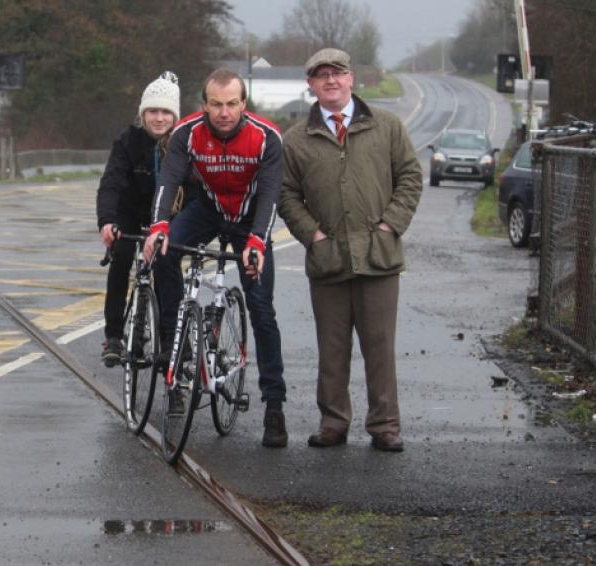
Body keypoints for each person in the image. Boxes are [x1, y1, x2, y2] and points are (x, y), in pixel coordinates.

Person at [278, 48, 423, 452]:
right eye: (321, 75)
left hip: (379, 257)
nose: (330, 81)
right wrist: (314, 236)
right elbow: (286, 195)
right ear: (310, 85)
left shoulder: (387, 126)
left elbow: (410, 177)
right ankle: (333, 422)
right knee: (332, 347)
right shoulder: (295, 140)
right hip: (328, 259)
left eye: (337, 74)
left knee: (380, 346)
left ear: (351, 78)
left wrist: (389, 225)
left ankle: (385, 425)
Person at [143, 68, 289, 448]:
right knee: (164, 250)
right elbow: (168, 181)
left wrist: (257, 240)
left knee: (261, 306)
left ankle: (275, 405)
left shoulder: (267, 138)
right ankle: (178, 343)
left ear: (244, 103)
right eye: (216, 105)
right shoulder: (186, 133)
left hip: (249, 218)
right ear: (204, 105)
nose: (224, 113)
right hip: (207, 210)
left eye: (232, 104)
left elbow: (272, 195)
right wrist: (158, 226)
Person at [96, 71, 180, 367]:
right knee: (120, 258)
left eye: (166, 112)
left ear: (175, 115)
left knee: (167, 267)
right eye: (152, 112)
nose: (158, 118)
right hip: (130, 211)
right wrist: (107, 221)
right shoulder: (128, 141)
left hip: (168, 215)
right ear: (142, 114)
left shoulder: (184, 142)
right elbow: (110, 183)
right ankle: (114, 335)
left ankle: (171, 338)